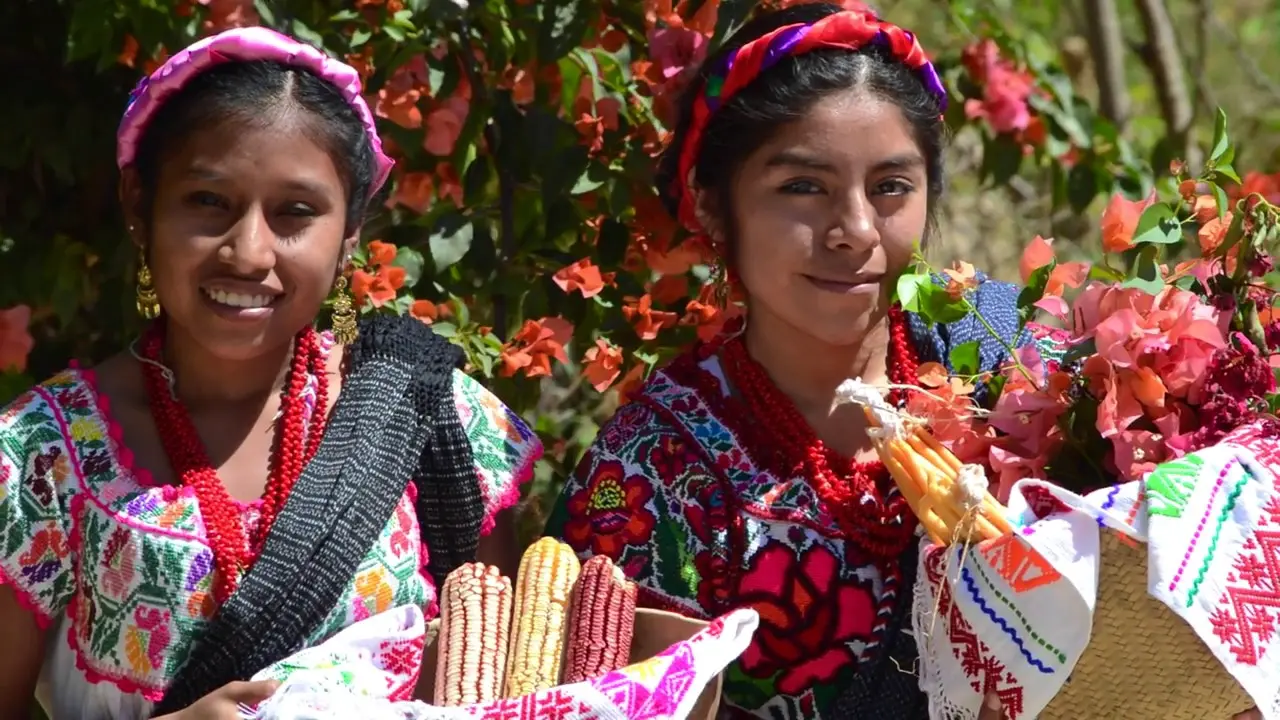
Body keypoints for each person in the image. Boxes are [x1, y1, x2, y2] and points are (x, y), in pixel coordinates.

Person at [544, 5, 1262, 720]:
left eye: (890, 187)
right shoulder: (652, 475)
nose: (855, 231)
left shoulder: (1018, 358)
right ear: (713, 205)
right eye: (802, 186)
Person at [0, 27, 540, 720]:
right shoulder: (41, 459)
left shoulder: (432, 415)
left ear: (349, 235)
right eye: (207, 201)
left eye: (295, 213)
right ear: (139, 205)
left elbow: (509, 697)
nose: (249, 252)